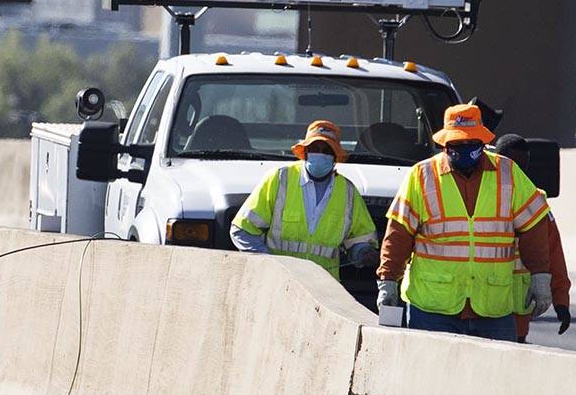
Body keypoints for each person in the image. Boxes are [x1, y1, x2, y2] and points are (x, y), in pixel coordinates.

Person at [376, 104, 552, 341]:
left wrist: (541, 275)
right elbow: (399, 233)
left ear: (482, 142)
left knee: (496, 376)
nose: (465, 150)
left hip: (493, 307)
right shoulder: (421, 176)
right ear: (445, 145)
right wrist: (388, 279)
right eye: (457, 145)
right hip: (433, 306)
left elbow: (534, 227)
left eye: (471, 143)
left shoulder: (508, 173)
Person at [231, 120, 379, 278]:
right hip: (278, 284)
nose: (320, 153)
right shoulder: (279, 180)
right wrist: (268, 264)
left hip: (325, 289)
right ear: (305, 152)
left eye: (327, 150)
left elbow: (359, 240)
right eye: (315, 148)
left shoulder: (348, 192)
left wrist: (363, 253)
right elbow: (242, 230)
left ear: (335, 157)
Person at [494, 134, 572, 341]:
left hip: (516, 312)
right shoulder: (481, 196)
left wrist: (560, 300)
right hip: (479, 306)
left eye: (523, 165)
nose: (516, 172)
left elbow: (553, 252)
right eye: (511, 164)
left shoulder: (536, 203)